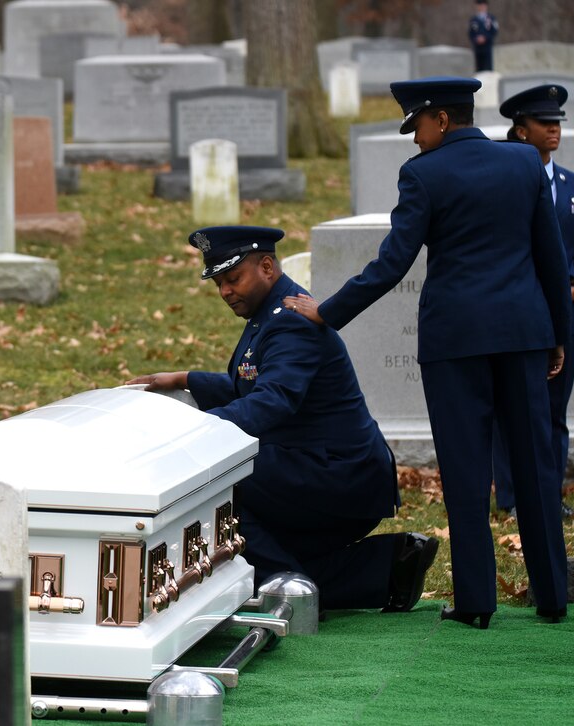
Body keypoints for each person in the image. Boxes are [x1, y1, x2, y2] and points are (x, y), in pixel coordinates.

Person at [284, 77, 571, 630]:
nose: (414, 139)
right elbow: (550, 257)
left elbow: (392, 262)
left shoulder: (423, 174)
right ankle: (553, 596)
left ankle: (476, 603)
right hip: (523, 334)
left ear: (440, 119)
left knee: (465, 469)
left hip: (456, 341)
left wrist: (328, 311)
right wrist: (558, 332)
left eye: (416, 125)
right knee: (536, 465)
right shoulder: (524, 163)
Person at [127, 225, 438, 614]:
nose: (225, 291)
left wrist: (195, 433)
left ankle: (285, 594)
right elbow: (255, 384)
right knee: (262, 544)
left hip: (340, 476)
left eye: (233, 278)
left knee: (223, 485)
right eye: (219, 283)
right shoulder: (272, 312)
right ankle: (390, 566)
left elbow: (273, 401)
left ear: (268, 267)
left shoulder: (291, 320)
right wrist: (186, 380)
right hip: (317, 469)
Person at [493, 84, 574, 520]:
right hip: (520, 314)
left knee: (555, 411)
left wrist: (573, 283)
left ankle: (549, 494)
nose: (555, 130)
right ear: (520, 130)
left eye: (558, 123)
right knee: (513, 409)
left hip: (564, 317)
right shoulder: (503, 183)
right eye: (545, 123)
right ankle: (514, 497)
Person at [468, 1, 499, 72]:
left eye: (483, 5)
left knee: (488, 68)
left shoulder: (491, 18)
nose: (481, 7)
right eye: (480, 5)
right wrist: (476, 39)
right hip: (477, 48)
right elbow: (470, 33)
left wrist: (485, 38)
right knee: (479, 69)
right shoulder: (473, 20)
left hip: (488, 47)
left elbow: (494, 31)